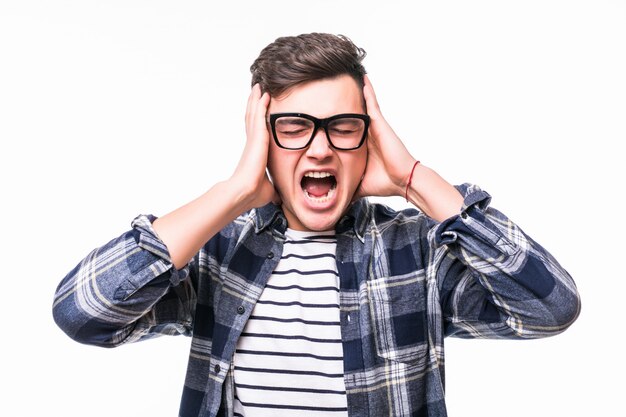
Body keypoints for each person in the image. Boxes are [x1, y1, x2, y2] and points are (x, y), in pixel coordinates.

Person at [52, 33, 581, 417]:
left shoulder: (416, 254)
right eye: (295, 127)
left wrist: (414, 179)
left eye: (343, 127)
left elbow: (549, 307)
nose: (321, 146)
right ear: (264, 139)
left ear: (367, 139)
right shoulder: (217, 253)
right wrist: (234, 191)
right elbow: (84, 312)